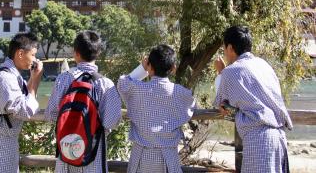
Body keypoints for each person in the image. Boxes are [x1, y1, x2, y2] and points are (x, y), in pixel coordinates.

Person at [214, 26, 292, 173]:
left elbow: (221, 104)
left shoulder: (231, 72)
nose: (224, 52)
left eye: (224, 48)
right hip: (279, 138)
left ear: (230, 48)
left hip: (259, 141)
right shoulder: (264, 65)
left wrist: (221, 72)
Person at [45, 30, 122, 172]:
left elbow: (50, 115)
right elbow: (111, 122)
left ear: (76, 53)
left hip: (66, 154)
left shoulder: (63, 79)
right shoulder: (105, 84)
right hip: (93, 155)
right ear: (98, 53)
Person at [117, 44, 196, 173]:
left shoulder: (138, 89)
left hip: (140, 157)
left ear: (149, 66)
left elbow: (122, 83)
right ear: (173, 68)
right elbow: (192, 105)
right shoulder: (180, 92)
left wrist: (142, 69)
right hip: (168, 158)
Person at [0, 33, 43, 173]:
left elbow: (21, 99)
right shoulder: (5, 78)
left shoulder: (10, 74)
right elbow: (24, 111)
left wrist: (32, 79)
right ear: (20, 53)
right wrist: (36, 81)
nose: (35, 59)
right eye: (33, 55)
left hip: (4, 144)